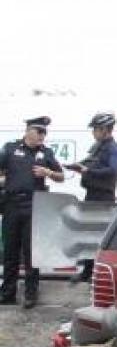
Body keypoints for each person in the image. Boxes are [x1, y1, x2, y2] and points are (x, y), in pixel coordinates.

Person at [0, 117, 65, 308]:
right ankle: (8, 293)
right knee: (10, 251)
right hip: (11, 205)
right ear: (28, 131)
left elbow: (61, 176)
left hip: (34, 207)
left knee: (31, 253)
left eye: (45, 133)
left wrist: (49, 173)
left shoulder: (46, 153)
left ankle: (30, 294)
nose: (43, 136)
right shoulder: (11, 149)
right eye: (40, 132)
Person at [67, 112, 117, 283]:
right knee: (87, 233)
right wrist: (77, 166)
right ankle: (87, 270)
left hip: (104, 197)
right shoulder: (97, 147)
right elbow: (87, 162)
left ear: (105, 129)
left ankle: (98, 272)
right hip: (91, 194)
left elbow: (113, 170)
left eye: (95, 129)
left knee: (99, 236)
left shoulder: (114, 148)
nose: (93, 132)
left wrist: (88, 171)